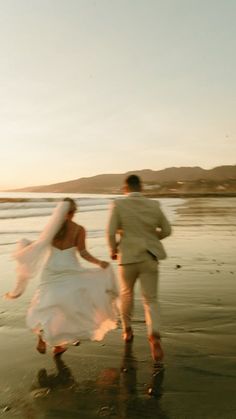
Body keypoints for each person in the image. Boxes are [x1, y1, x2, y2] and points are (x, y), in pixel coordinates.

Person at [5, 198, 118, 356]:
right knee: (68, 306)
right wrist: (99, 263)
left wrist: (25, 247)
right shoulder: (79, 229)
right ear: (73, 212)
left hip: (51, 269)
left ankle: (50, 339)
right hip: (70, 268)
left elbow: (39, 246)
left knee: (46, 302)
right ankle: (59, 342)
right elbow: (83, 253)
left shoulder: (51, 229)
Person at [107, 175, 171, 363]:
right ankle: (154, 336)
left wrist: (113, 250)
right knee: (151, 299)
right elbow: (167, 230)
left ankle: (127, 331)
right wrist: (151, 239)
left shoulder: (118, 204)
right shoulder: (154, 205)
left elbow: (110, 232)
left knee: (126, 294)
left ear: (125, 188)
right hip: (149, 256)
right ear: (141, 187)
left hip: (127, 257)